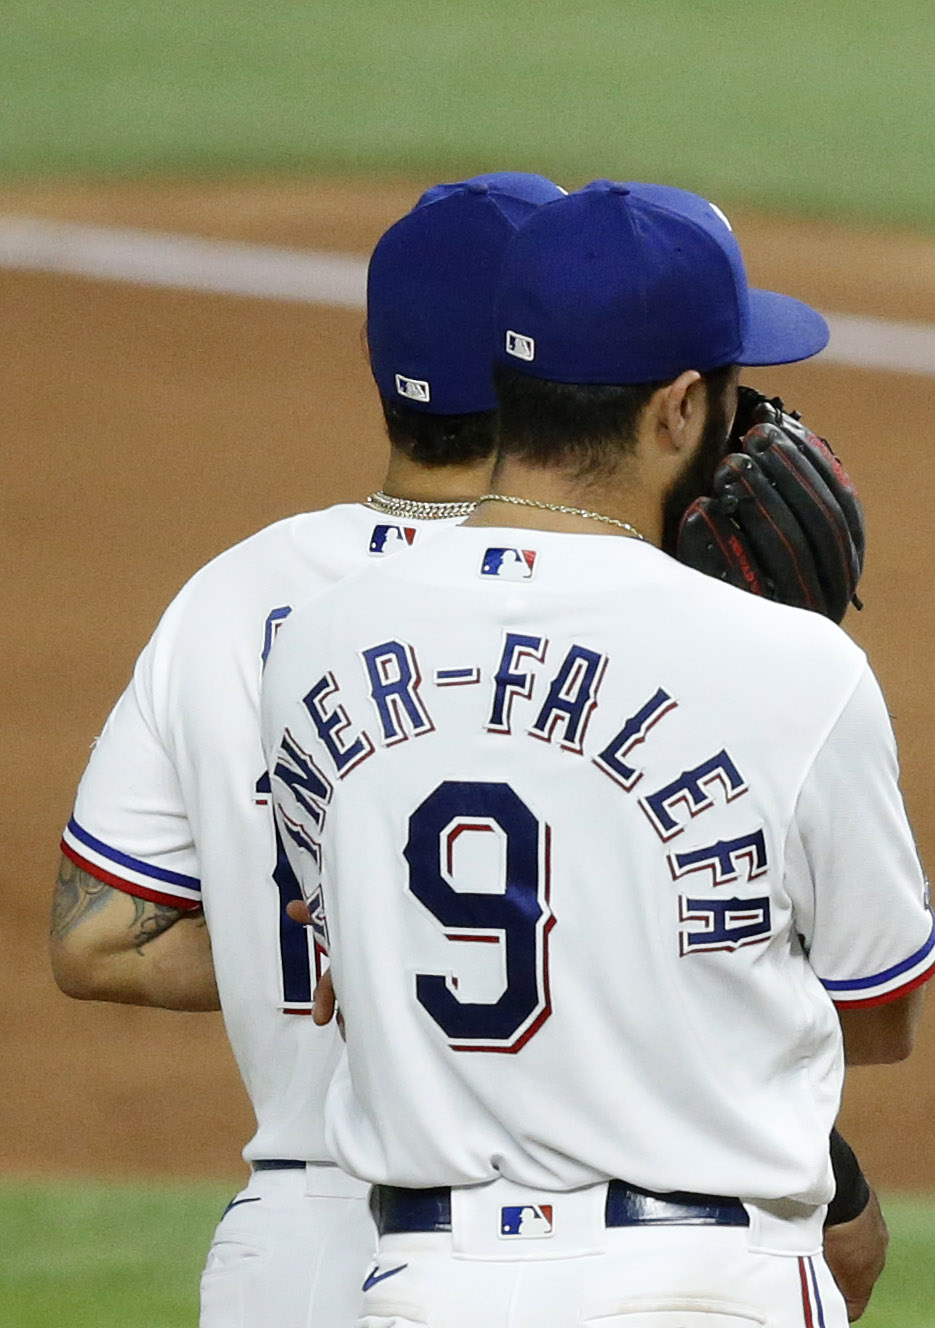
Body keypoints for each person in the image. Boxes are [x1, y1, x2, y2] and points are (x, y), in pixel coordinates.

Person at [261, 179, 935, 1328]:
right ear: (678, 406)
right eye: (734, 389)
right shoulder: (792, 667)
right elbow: (875, 1011)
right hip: (700, 1285)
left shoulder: (314, 642)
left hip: (424, 1283)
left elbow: (348, 974)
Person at [51, 171, 565, 1328]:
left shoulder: (228, 596)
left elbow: (95, 940)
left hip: (289, 1254)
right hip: (544, 1242)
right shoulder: (604, 603)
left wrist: (342, 946)